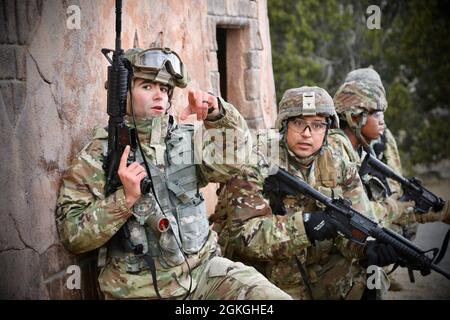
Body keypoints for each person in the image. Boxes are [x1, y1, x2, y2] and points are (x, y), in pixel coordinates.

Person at [55, 47, 292, 300]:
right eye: (147, 86)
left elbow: (234, 162)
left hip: (204, 275)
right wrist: (124, 200)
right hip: (138, 291)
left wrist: (218, 114)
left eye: (165, 89)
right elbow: (73, 235)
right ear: (124, 92)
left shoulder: (185, 141)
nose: (159, 95)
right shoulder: (99, 154)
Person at [211, 86, 395, 300]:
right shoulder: (255, 161)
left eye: (317, 125)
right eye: (299, 123)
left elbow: (358, 221)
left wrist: (364, 249)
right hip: (260, 278)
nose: (307, 133)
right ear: (284, 125)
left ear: (328, 129)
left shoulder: (339, 164)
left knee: (373, 276)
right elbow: (243, 237)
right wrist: (305, 225)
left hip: (313, 272)